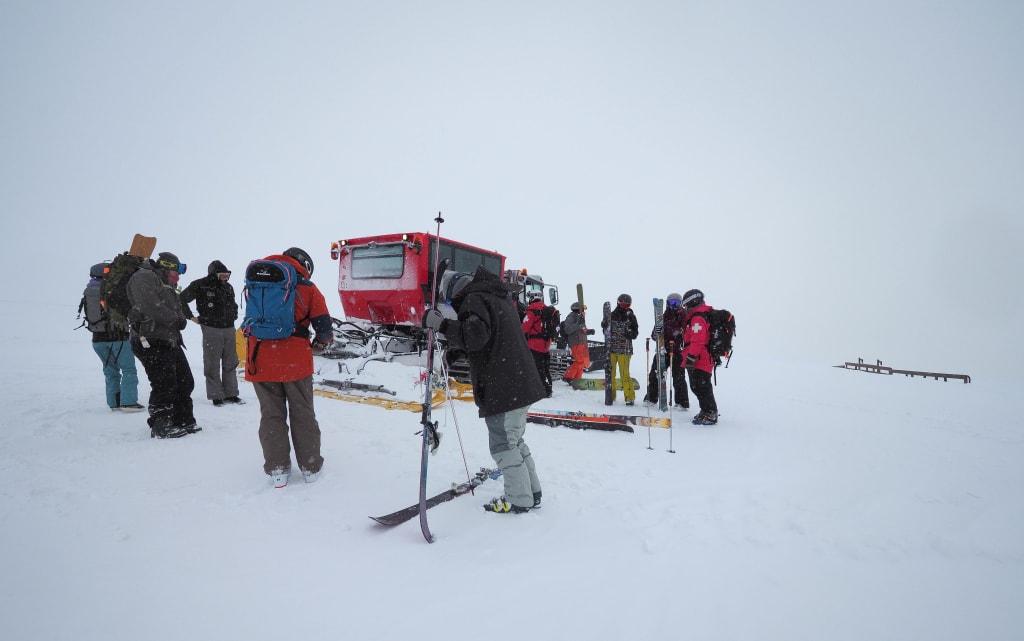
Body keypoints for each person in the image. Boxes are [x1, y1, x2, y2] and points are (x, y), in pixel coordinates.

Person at [423, 266, 546, 514]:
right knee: (515, 441)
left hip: (505, 389)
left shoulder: (474, 298)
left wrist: (443, 325)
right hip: (520, 385)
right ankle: (532, 491)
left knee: (503, 445)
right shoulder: (495, 296)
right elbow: (491, 338)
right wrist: (459, 348)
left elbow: (476, 335)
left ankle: (519, 499)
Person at [244, 247, 333, 487]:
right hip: (295, 362)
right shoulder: (307, 287)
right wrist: (320, 344)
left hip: (259, 358)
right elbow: (324, 327)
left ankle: (277, 469)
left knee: (271, 414)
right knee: (302, 413)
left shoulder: (256, 281)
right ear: (304, 264)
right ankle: (310, 467)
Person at [126, 251, 197, 438]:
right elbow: (151, 306)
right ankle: (161, 425)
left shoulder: (168, 285)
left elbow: (176, 308)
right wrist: (175, 319)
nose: (179, 276)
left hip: (170, 339)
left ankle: (182, 420)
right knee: (164, 383)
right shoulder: (144, 277)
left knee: (185, 380)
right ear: (166, 268)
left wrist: (180, 318)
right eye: (177, 271)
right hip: (149, 339)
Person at [80, 262, 143, 412]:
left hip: (97, 339)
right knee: (128, 369)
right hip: (118, 337)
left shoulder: (89, 290)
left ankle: (114, 403)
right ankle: (129, 402)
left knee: (110, 371)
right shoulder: (112, 290)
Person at [180, 260, 242, 407]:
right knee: (212, 363)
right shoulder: (200, 285)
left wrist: (233, 314)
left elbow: (233, 305)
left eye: (227, 276)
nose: (225, 279)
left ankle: (231, 394)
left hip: (229, 329)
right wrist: (191, 317)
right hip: (211, 329)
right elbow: (181, 299)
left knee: (230, 362)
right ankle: (216, 395)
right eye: (222, 276)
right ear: (214, 275)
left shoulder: (228, 287)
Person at [679, 289, 719, 425]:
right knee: (696, 386)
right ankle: (705, 410)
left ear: (692, 302)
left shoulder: (698, 318)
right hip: (698, 358)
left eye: (686, 305)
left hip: (700, 359)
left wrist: (691, 357)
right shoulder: (697, 316)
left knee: (702, 387)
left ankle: (711, 413)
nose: (685, 308)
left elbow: (698, 341)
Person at [644, 292, 690, 410]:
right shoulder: (663, 316)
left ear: (681, 304)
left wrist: (675, 333)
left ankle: (682, 402)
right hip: (662, 349)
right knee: (655, 374)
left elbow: (684, 332)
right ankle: (651, 398)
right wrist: (657, 332)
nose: (673, 306)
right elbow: (654, 335)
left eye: (676, 303)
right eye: (671, 303)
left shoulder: (684, 316)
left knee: (678, 377)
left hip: (677, 351)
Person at [601, 293, 639, 405]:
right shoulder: (611, 315)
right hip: (611, 349)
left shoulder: (631, 316)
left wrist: (630, 333)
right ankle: (610, 395)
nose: (624, 307)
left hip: (624, 350)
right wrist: (604, 325)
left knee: (624, 374)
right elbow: (606, 332)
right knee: (610, 374)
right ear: (618, 303)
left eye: (627, 305)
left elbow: (635, 333)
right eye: (622, 304)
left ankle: (629, 397)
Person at [522, 291, 554, 397]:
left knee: (535, 367)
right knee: (544, 367)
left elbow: (525, 328)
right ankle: (548, 385)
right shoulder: (546, 309)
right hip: (545, 343)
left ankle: (545, 390)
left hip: (534, 343)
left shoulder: (532, 310)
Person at [559, 301, 594, 383]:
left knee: (582, 363)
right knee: (580, 361)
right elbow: (568, 329)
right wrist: (578, 324)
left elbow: (582, 330)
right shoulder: (571, 317)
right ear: (577, 309)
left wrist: (589, 331)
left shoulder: (579, 318)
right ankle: (568, 376)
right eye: (582, 309)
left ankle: (577, 379)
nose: (583, 311)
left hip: (581, 342)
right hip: (576, 343)